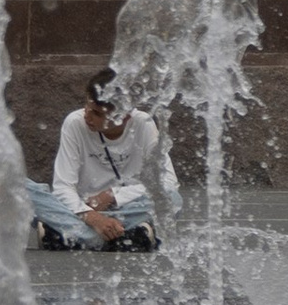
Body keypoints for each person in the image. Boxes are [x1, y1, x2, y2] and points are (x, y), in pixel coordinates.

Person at [29, 69, 181, 250]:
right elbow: (63, 187)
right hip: (80, 209)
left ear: (123, 117)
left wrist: (112, 196)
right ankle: (124, 237)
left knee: (172, 198)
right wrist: (92, 217)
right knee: (20, 189)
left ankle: (74, 235)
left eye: (96, 113)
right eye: (86, 106)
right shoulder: (74, 123)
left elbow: (168, 182)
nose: (87, 115)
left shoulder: (143, 124)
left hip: (126, 209)